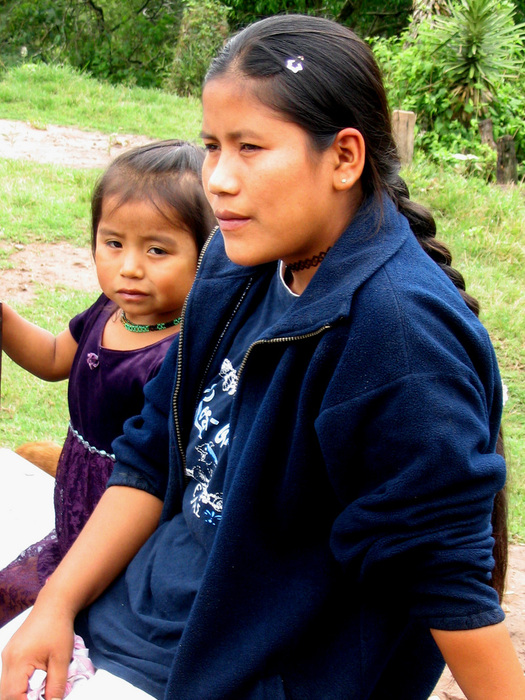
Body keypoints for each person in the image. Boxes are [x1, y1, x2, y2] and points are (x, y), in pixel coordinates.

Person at [2, 14, 524, 700]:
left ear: (343, 157)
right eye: (212, 146)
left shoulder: (395, 336)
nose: (217, 179)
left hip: (246, 669)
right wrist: (58, 603)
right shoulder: (235, 258)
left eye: (249, 147)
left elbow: (443, 579)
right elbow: (155, 451)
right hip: (145, 610)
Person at [0, 139, 215, 628]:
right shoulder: (108, 310)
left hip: (130, 503)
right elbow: (55, 358)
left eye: (158, 250)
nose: (130, 267)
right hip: (78, 476)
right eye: (113, 243)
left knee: (106, 603)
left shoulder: (186, 350)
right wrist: (6, 319)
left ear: (208, 256)